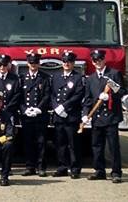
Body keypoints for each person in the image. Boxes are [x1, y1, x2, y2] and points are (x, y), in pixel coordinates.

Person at [82, 49, 125, 183]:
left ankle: (116, 172)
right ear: (93, 63)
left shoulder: (114, 74)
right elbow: (88, 99)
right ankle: (99, 171)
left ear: (104, 59)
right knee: (96, 146)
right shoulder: (91, 79)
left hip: (111, 116)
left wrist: (111, 94)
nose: (98, 62)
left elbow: (122, 91)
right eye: (95, 60)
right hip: (97, 117)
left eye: (100, 59)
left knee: (113, 146)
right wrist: (85, 114)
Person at [51, 50, 85, 179]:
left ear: (73, 63)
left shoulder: (78, 77)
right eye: (64, 61)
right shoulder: (56, 76)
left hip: (71, 115)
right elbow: (52, 94)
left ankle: (75, 168)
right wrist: (56, 107)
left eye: (69, 62)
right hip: (59, 115)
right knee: (60, 144)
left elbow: (78, 94)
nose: (66, 64)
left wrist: (64, 107)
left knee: (73, 144)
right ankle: (62, 167)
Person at [19, 52, 51, 176]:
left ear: (39, 63)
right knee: (27, 141)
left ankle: (41, 167)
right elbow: (19, 96)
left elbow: (47, 95)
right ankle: (29, 166)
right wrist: (24, 109)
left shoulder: (45, 77)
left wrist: (39, 108)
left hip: (40, 115)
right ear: (28, 63)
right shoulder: (22, 78)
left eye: (35, 63)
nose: (33, 65)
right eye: (31, 63)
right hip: (26, 115)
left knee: (41, 141)